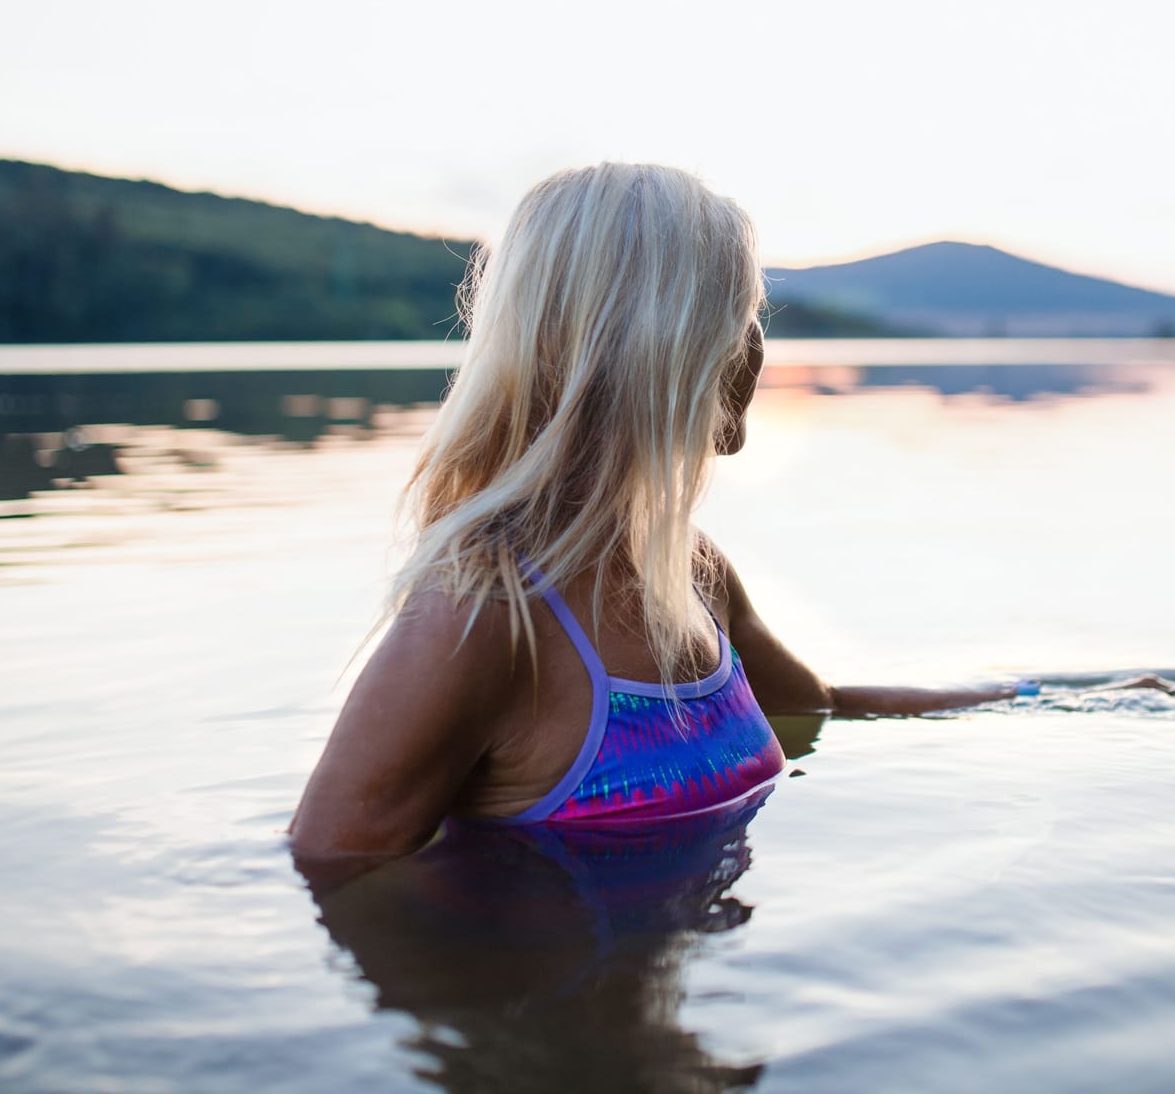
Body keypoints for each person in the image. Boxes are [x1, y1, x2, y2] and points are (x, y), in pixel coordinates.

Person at [288, 163, 1021, 872]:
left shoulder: (694, 574)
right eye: (741, 324)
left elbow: (818, 705)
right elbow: (331, 870)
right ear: (699, 356)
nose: (753, 347)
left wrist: (1030, 697)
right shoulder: (481, 615)